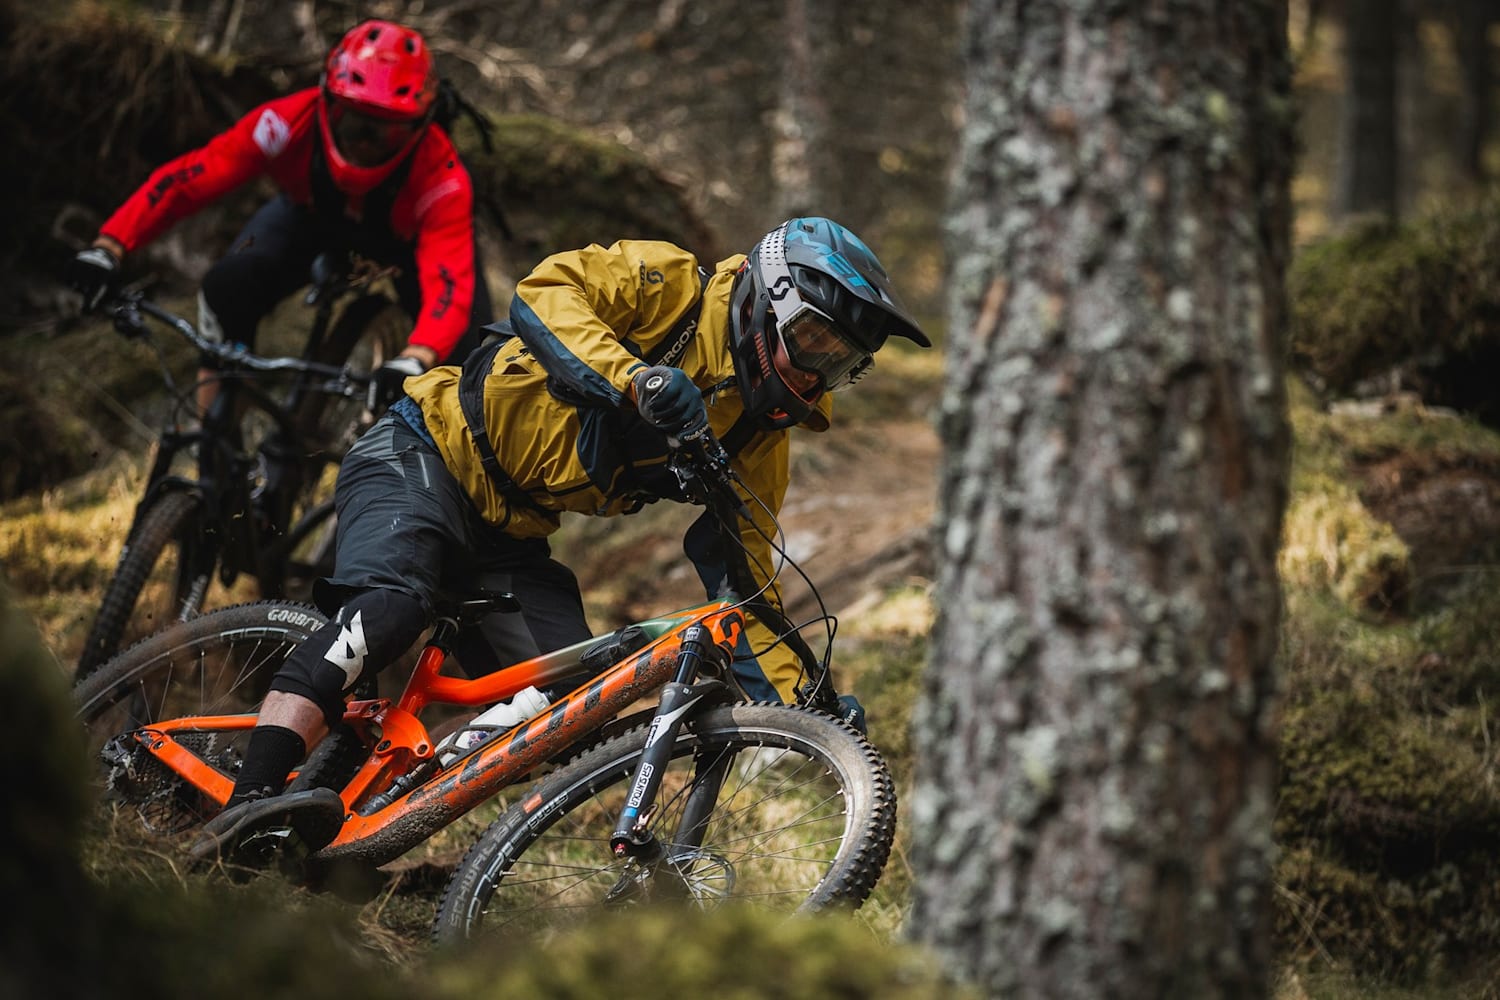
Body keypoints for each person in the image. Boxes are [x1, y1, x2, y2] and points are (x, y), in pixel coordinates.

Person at [186, 216, 932, 863]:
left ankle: (369, 824)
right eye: (812, 342)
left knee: (573, 713)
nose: (817, 374)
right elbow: (545, 296)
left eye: (840, 362)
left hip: (511, 537)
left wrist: (810, 707)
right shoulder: (669, 283)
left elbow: (748, 587)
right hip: (423, 452)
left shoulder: (760, 439)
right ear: (770, 305)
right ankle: (246, 805)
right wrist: (633, 378)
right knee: (388, 609)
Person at [65, 19, 492, 406]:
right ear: (327, 103)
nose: (365, 142)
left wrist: (417, 358)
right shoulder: (286, 123)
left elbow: (449, 284)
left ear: (420, 127)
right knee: (226, 287)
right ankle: (213, 446)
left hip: (407, 246)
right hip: (311, 218)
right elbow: (190, 179)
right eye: (354, 122)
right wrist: (110, 246)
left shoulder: (442, 175)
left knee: (471, 366)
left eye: (386, 132)